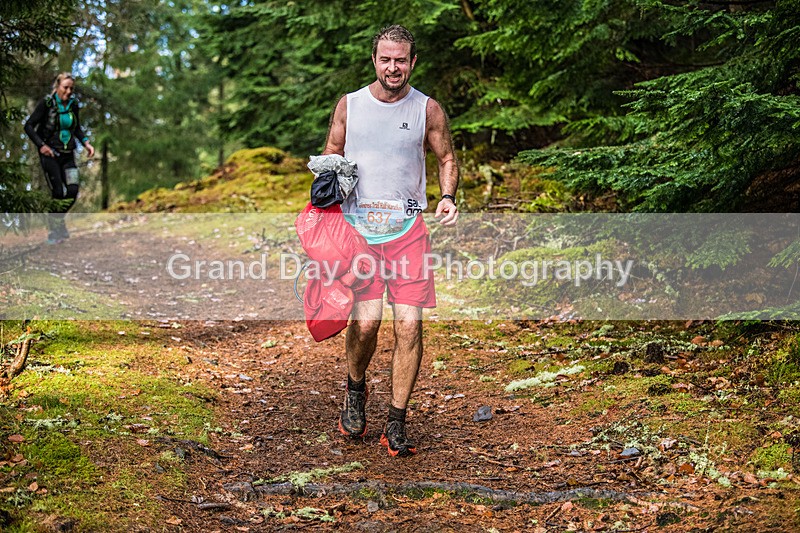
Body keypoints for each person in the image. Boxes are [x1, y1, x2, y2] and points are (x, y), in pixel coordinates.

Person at [322, 25, 459, 457]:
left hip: (408, 232)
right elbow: (331, 153)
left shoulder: (427, 109)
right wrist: (326, 198)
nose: (393, 67)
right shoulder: (351, 105)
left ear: (412, 62)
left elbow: (447, 157)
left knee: (409, 325)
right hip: (359, 233)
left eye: (401, 59)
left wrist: (448, 196)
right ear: (375, 61)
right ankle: (355, 390)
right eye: (386, 59)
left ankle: (396, 423)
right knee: (366, 324)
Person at [24, 72, 95, 244]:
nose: (69, 91)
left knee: (72, 190)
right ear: (57, 86)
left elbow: (76, 127)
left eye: (71, 88)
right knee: (57, 192)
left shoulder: (73, 105)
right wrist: (42, 145)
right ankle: (54, 232)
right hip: (50, 155)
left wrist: (86, 143)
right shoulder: (46, 104)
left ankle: (58, 221)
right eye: (66, 87)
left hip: (68, 154)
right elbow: (29, 126)